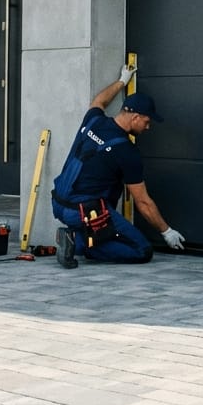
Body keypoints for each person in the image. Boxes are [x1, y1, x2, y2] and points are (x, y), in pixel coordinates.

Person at [50, 63, 186, 269]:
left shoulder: (94, 120)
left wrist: (122, 81)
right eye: (147, 122)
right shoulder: (126, 152)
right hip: (83, 211)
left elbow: (100, 100)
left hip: (59, 203)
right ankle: (77, 242)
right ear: (135, 117)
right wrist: (166, 231)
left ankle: (75, 237)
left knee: (108, 234)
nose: (148, 127)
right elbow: (143, 202)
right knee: (141, 250)